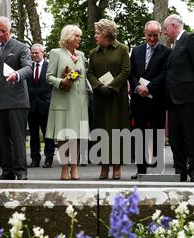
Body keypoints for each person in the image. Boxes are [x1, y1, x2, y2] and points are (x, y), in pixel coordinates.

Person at [163, 14, 194, 182]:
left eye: (165, 28)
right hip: (173, 99)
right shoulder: (174, 45)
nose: (164, 32)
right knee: (175, 137)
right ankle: (180, 170)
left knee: (192, 136)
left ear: (174, 25)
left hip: (189, 97)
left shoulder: (190, 39)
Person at [0, 16, 32, 180]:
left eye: (3, 31)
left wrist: (16, 74)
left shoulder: (21, 47)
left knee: (17, 137)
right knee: (2, 138)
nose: (0, 34)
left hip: (17, 101)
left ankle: (21, 171)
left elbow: (28, 68)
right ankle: (7, 171)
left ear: (10, 30)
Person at [88, 19, 130, 180]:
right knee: (101, 131)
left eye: (98, 33)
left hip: (117, 98)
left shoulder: (122, 49)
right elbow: (90, 72)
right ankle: (104, 167)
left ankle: (117, 167)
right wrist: (99, 86)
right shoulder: (93, 53)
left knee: (117, 132)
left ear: (106, 34)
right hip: (100, 98)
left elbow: (126, 71)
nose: (95, 36)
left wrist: (111, 87)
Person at [45, 25, 89, 180]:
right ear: (68, 37)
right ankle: (64, 169)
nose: (79, 39)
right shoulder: (56, 53)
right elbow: (48, 76)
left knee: (77, 136)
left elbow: (83, 76)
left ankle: (74, 168)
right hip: (62, 100)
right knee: (63, 136)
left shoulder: (81, 55)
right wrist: (62, 81)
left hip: (79, 101)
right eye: (77, 36)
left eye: (80, 36)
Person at [129, 20, 170, 179]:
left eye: (155, 35)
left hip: (156, 99)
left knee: (156, 132)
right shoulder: (136, 51)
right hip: (139, 99)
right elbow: (131, 73)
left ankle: (157, 166)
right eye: (149, 35)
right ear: (144, 34)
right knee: (139, 133)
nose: (152, 39)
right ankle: (141, 169)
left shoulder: (166, 52)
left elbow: (165, 74)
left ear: (160, 34)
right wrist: (137, 87)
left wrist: (150, 88)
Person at [27, 43, 55, 169]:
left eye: (36, 52)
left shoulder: (49, 67)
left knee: (47, 134)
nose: (34, 55)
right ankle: (35, 159)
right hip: (31, 106)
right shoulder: (28, 67)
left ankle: (49, 158)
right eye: (32, 53)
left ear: (42, 53)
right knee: (33, 135)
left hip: (45, 105)